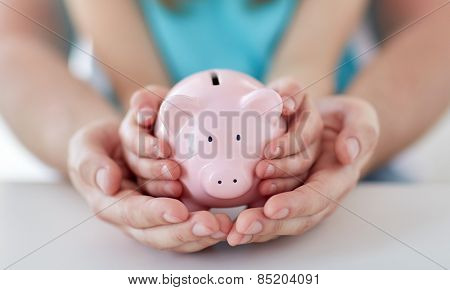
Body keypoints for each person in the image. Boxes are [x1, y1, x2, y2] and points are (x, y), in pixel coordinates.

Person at [0, 0, 448, 252]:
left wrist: (356, 128)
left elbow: (434, 24)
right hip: (113, 192)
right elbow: (14, 37)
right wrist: (95, 136)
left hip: (349, 180)